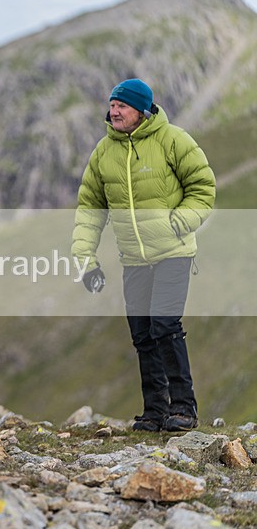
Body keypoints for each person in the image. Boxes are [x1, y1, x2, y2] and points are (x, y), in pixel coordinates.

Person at [72, 78, 215, 432]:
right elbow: (90, 209)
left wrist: (179, 223)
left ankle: (183, 408)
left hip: (172, 252)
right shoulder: (104, 152)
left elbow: (203, 188)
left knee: (165, 325)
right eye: (112, 104)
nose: (114, 111)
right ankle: (154, 411)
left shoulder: (174, 140)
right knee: (142, 333)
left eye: (121, 105)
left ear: (141, 109)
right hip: (133, 259)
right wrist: (86, 261)